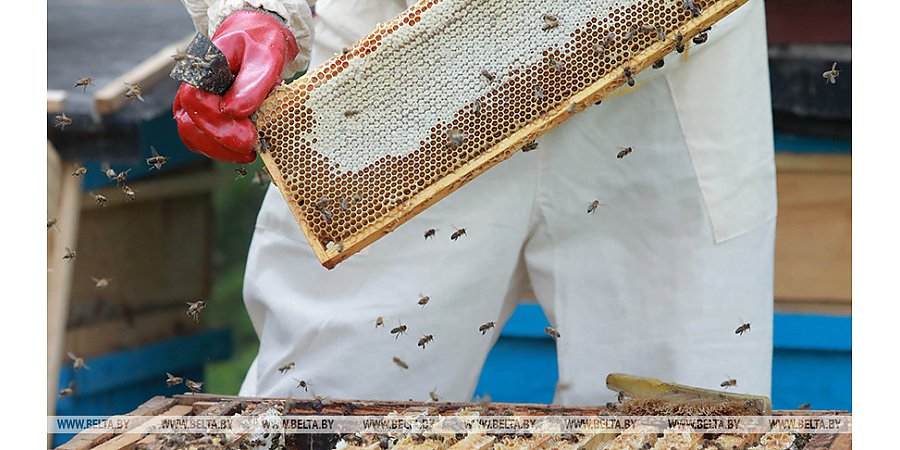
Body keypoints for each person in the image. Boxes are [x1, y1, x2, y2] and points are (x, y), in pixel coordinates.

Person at [176, 0, 777, 405]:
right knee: (327, 411)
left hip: (661, 70)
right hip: (397, 84)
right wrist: (256, 11)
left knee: (684, 416)